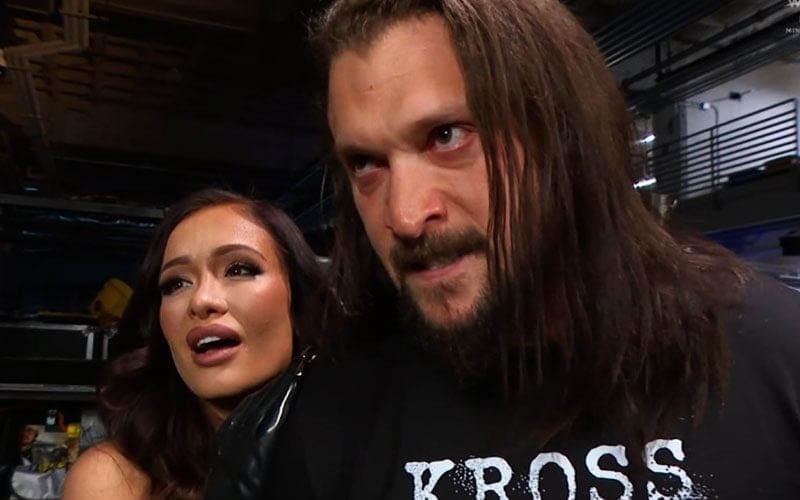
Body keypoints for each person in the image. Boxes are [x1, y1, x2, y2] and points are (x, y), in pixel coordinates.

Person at [206, 1, 800, 498]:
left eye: (447, 136)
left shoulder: (774, 354)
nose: (405, 216)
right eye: (366, 163)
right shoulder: (325, 424)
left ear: (563, 135)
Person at [63, 189, 323, 499]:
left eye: (239, 269)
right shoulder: (112, 481)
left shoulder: (358, 455)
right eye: (176, 283)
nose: (201, 301)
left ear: (297, 301)